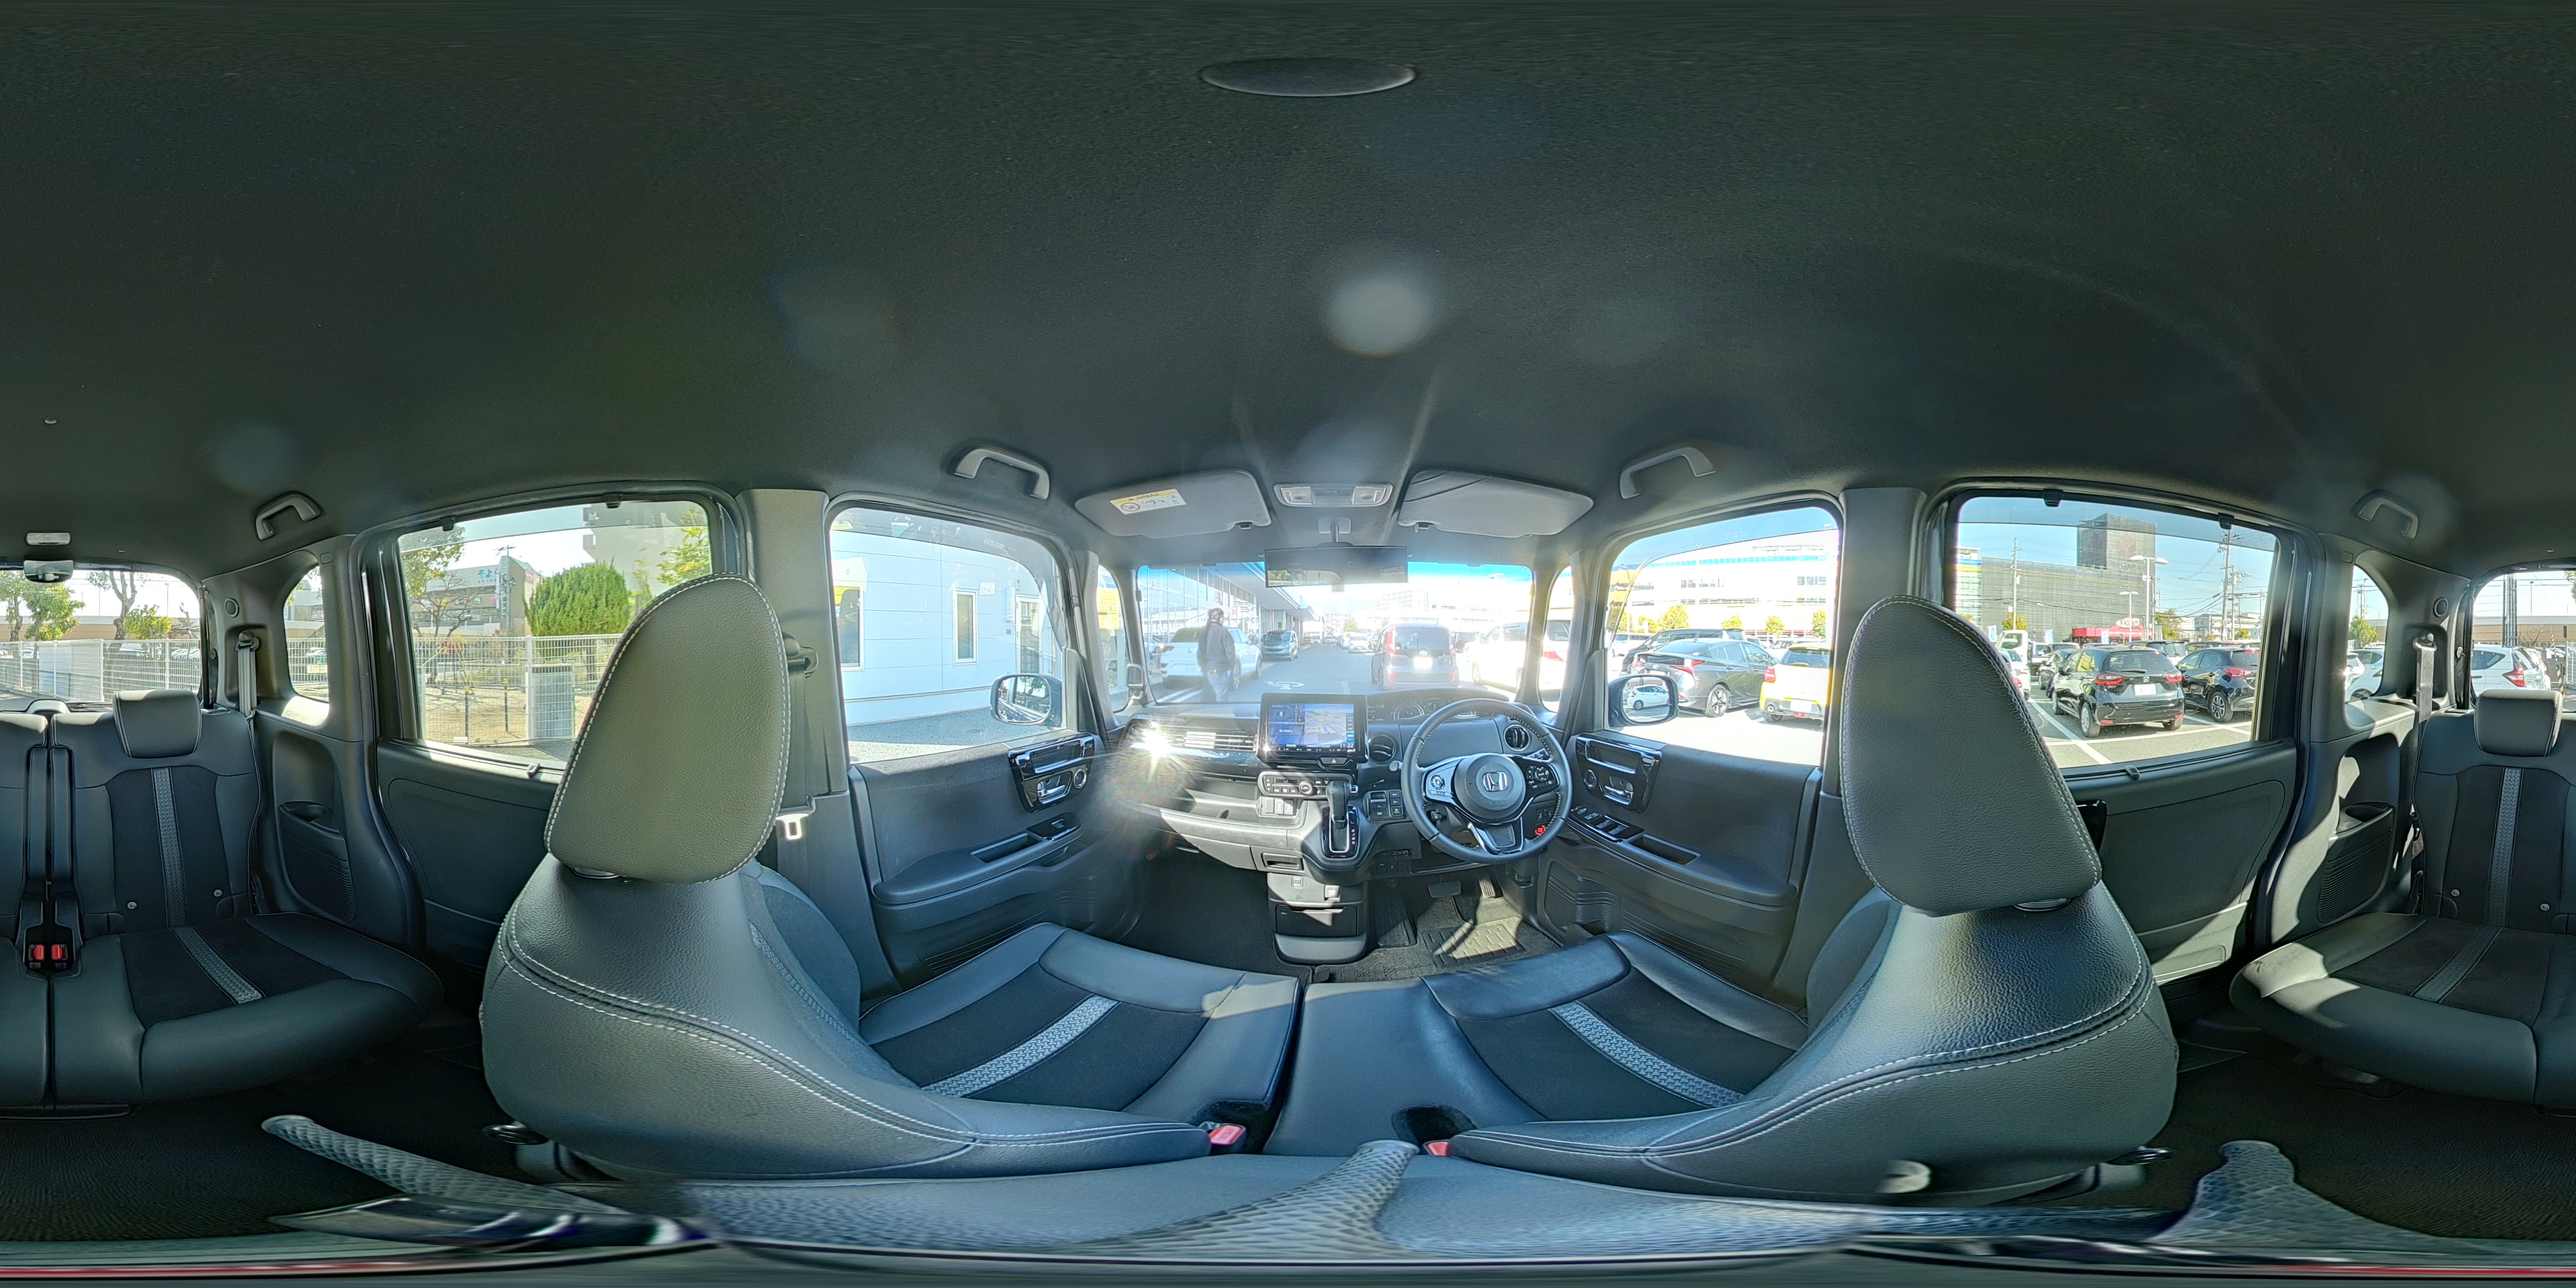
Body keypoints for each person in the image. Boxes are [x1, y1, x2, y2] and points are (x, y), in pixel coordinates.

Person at [1199, 608, 1239, 701]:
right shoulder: (1223, 632)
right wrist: (1230, 667)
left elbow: (1200, 653)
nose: (1224, 620)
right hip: (1219, 670)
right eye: (1224, 618)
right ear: (1220, 618)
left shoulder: (1204, 633)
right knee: (1221, 701)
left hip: (1207, 671)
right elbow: (1231, 653)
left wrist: (1203, 666)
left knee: (1208, 701)